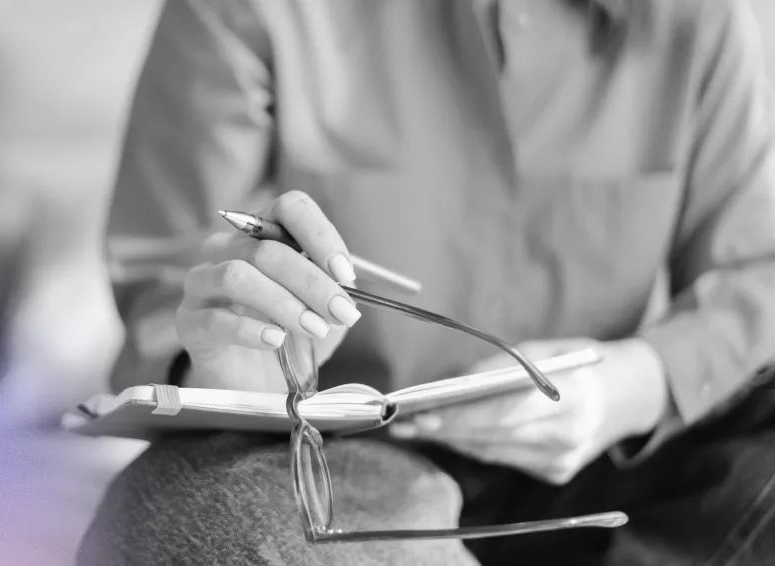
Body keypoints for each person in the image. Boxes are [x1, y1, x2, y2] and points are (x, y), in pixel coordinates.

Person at [78, 0, 775, 564]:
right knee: (174, 513)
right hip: (335, 471)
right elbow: (167, 285)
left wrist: (637, 384)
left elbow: (756, 273)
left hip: (610, 467)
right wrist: (224, 367)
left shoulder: (703, 18)